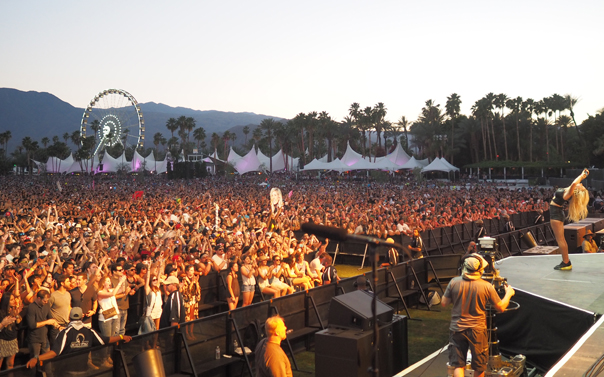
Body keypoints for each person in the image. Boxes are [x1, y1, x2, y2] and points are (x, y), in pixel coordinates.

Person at [441, 254, 515, 377]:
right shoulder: (486, 286)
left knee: (458, 365)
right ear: (480, 270)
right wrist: (508, 294)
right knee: (479, 367)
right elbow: (501, 307)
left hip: (457, 329)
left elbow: (444, 303)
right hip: (477, 331)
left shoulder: (453, 282)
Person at [26, 307, 132, 372]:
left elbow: (54, 353)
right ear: (81, 317)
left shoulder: (64, 333)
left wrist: (37, 358)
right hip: (83, 370)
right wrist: (122, 336)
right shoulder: (89, 331)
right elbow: (107, 340)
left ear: (69, 318)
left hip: (66, 371)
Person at [550, 169, 590, 270]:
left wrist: (582, 175)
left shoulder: (569, 193)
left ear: (577, 190)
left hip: (556, 215)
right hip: (557, 214)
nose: (580, 184)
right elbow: (573, 183)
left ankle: (566, 262)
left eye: (581, 186)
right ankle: (566, 261)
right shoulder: (568, 190)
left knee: (560, 240)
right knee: (561, 239)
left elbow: (574, 183)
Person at [26, 290, 59, 361]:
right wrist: (47, 322)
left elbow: (50, 317)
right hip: (35, 339)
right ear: (38, 298)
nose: (46, 302)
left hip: (44, 337)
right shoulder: (31, 307)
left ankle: (47, 371)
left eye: (47, 300)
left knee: (47, 358)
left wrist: (56, 324)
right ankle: (35, 372)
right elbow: (32, 325)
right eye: (44, 301)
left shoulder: (46, 305)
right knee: (34, 359)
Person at [0, 293, 22, 369]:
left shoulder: (14, 309)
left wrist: (16, 315)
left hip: (12, 339)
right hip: (2, 340)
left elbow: (19, 325)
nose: (14, 301)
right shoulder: (1, 312)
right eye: (12, 299)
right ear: (6, 301)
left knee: (10, 364)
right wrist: (3, 324)